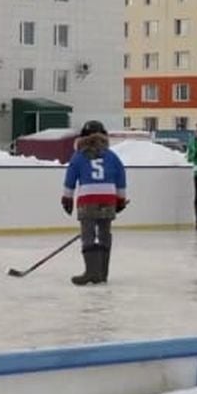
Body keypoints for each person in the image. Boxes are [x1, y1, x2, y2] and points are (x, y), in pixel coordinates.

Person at [62, 120, 128, 286]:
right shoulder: (112, 156)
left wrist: (67, 198)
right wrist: (120, 200)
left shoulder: (78, 156)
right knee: (105, 233)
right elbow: (121, 178)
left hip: (87, 200)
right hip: (108, 199)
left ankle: (91, 272)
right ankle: (102, 273)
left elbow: (70, 179)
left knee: (88, 234)